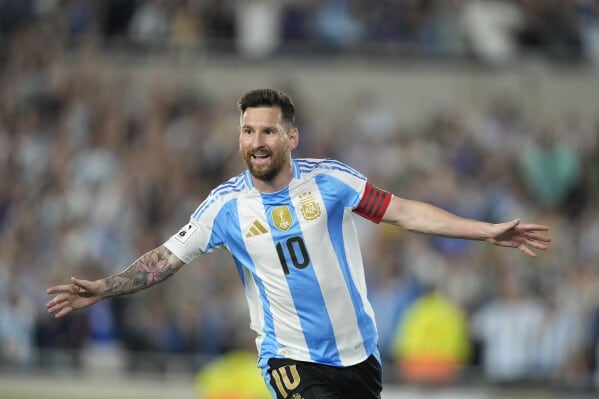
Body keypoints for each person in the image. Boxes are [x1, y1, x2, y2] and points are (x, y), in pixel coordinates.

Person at [46, 88, 551, 399]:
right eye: (247, 131)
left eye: (267, 131)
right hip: (289, 358)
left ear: (292, 138)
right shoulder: (225, 207)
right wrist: (104, 289)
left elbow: (407, 212)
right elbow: (164, 259)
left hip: (359, 358)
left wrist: (486, 231)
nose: (256, 141)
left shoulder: (331, 182)